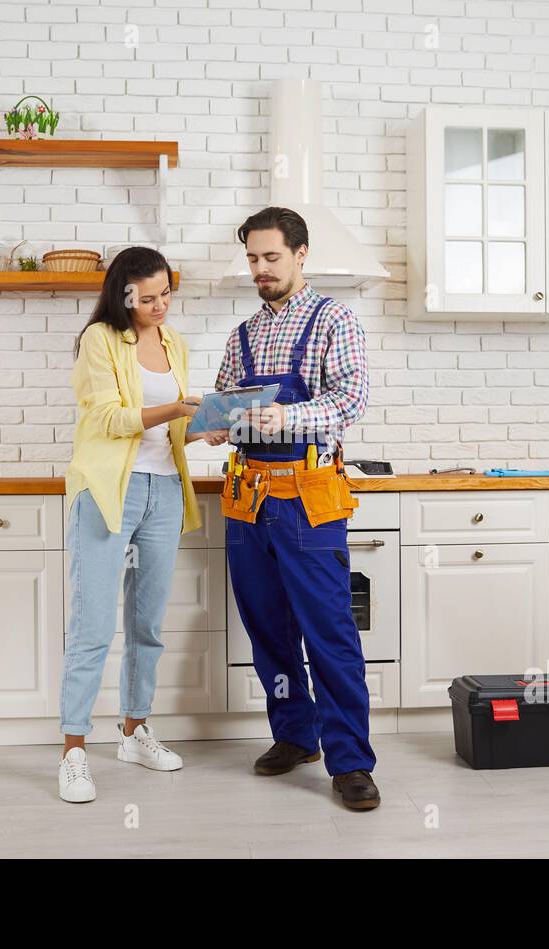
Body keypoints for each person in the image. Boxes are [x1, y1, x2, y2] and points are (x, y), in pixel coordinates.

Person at [214, 207, 380, 810]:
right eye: (253, 259)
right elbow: (232, 406)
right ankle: (294, 734)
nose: (259, 269)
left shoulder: (336, 319)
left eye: (271, 258)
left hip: (309, 497)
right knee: (268, 631)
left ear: (301, 254)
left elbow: (352, 398)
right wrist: (216, 424)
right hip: (247, 497)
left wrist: (286, 415)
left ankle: (351, 762)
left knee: (329, 632)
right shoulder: (243, 336)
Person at [58, 246, 228, 804]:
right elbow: (109, 419)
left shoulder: (174, 342)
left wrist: (200, 429)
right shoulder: (99, 340)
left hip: (164, 490)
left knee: (148, 621)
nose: (160, 306)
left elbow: (168, 428)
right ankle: (74, 751)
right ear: (123, 295)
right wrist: (175, 410)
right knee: (91, 624)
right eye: (147, 298)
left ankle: (134, 731)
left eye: (166, 295)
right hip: (110, 489)